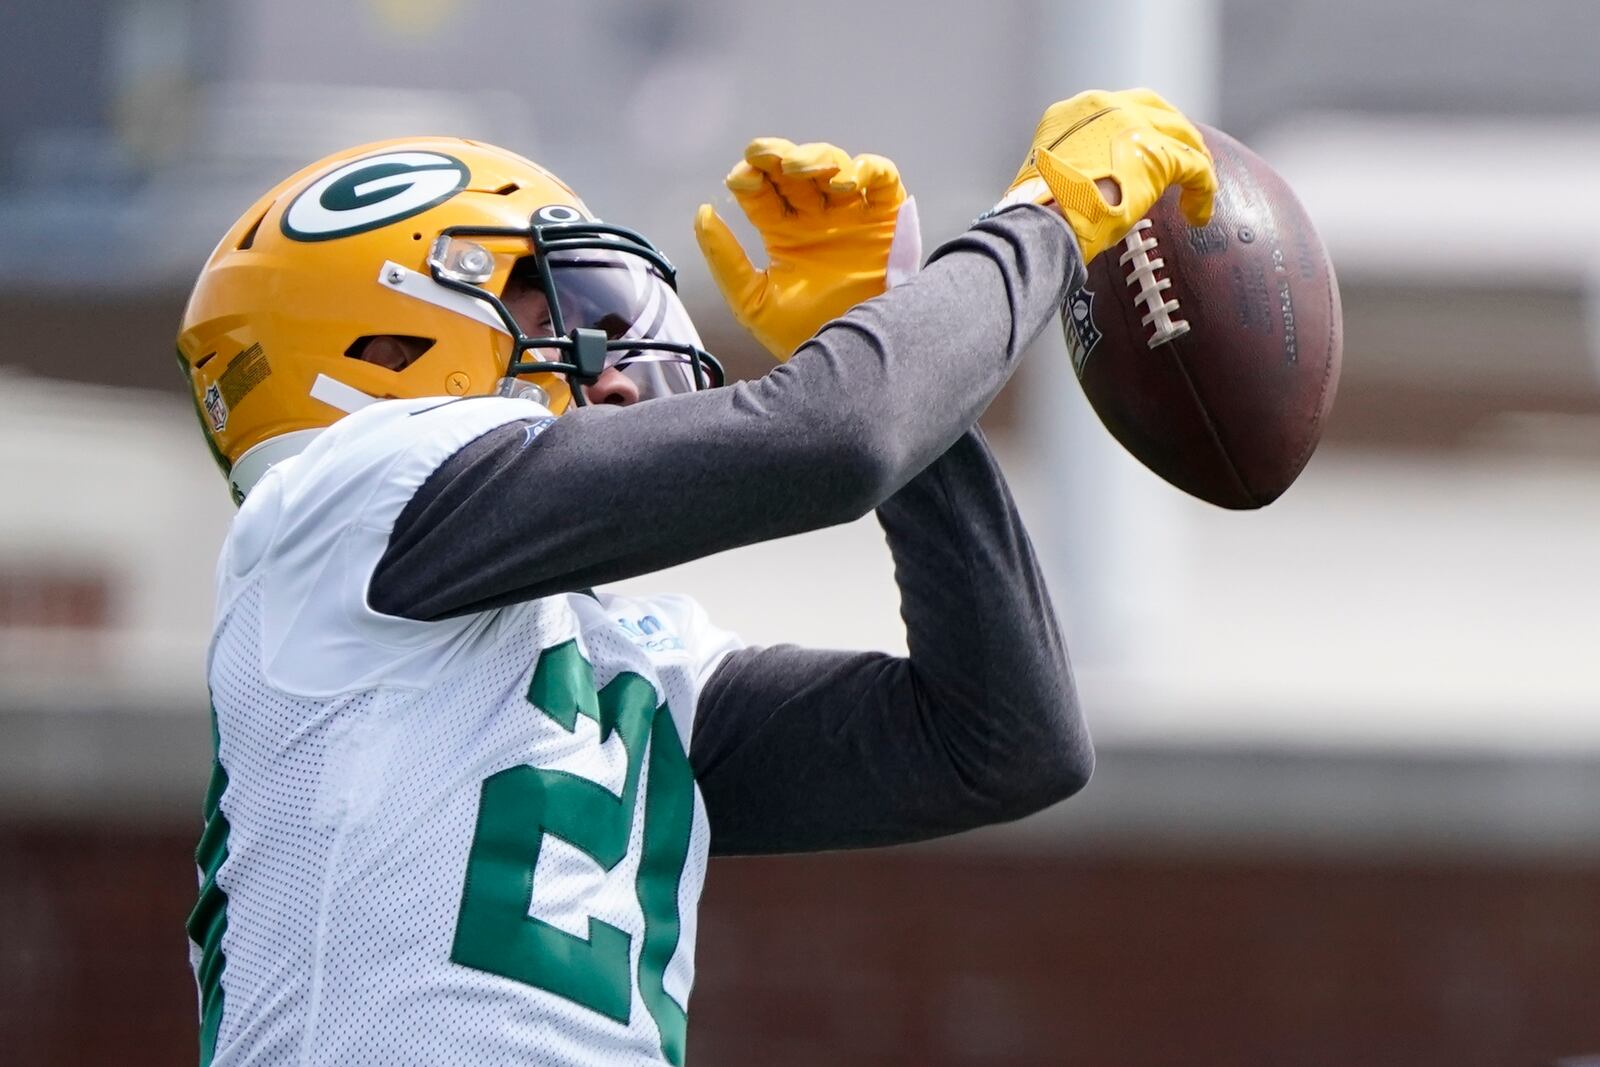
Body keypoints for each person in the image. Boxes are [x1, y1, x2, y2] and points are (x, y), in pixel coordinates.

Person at [177, 89, 1215, 1066]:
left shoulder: (614, 661)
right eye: (567, 312)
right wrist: (1039, 222)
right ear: (391, 338)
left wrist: (905, 377)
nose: (620, 370)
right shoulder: (346, 497)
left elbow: (1002, 743)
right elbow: (839, 436)